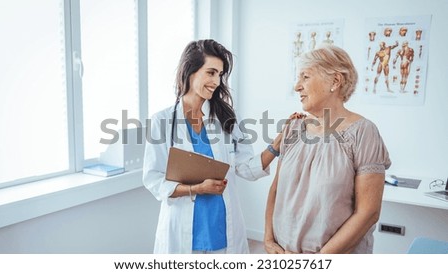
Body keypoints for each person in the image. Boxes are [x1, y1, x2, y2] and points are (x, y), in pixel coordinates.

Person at [143, 39, 282, 254]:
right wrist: (195, 189)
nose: (217, 81)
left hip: (222, 226)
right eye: (211, 72)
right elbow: (153, 178)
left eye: (220, 74)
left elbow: (245, 167)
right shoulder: (161, 121)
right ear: (190, 71)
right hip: (181, 230)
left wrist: (276, 145)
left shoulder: (226, 118)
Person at [264, 45, 391, 254]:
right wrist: (268, 241)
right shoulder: (293, 128)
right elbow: (276, 190)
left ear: (335, 81)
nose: (297, 86)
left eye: (305, 77)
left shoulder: (364, 132)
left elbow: (368, 212)